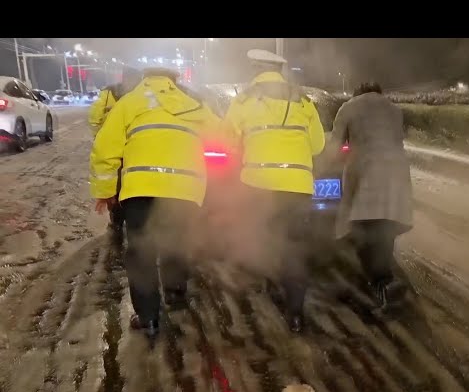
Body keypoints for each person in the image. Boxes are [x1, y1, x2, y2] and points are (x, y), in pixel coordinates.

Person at [90, 66, 224, 339]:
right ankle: (175, 294)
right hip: (184, 190)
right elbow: (224, 137)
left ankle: (149, 318)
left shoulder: (129, 103)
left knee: (141, 251)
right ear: (175, 82)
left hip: (141, 189)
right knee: (177, 240)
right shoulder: (192, 105)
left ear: (144, 80)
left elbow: (105, 150)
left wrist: (105, 191)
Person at [223, 49, 325, 333]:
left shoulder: (244, 100)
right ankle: (295, 314)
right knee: (294, 246)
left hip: (259, 184)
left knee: (265, 237)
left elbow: (227, 140)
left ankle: (269, 287)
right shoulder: (303, 103)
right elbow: (317, 146)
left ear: (256, 70)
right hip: (298, 186)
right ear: (280, 72)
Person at [332, 82, 413, 308]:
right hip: (397, 173)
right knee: (386, 225)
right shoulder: (395, 110)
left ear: (357, 94)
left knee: (364, 229)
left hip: (367, 174)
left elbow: (334, 148)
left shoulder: (349, 108)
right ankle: (383, 278)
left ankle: (382, 282)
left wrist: (324, 166)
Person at [88, 68, 143, 237]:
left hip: (122, 146)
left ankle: (118, 219)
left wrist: (100, 135)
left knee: (119, 182)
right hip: (129, 147)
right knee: (121, 183)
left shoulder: (110, 94)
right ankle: (120, 218)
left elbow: (94, 118)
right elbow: (94, 118)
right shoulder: (138, 95)